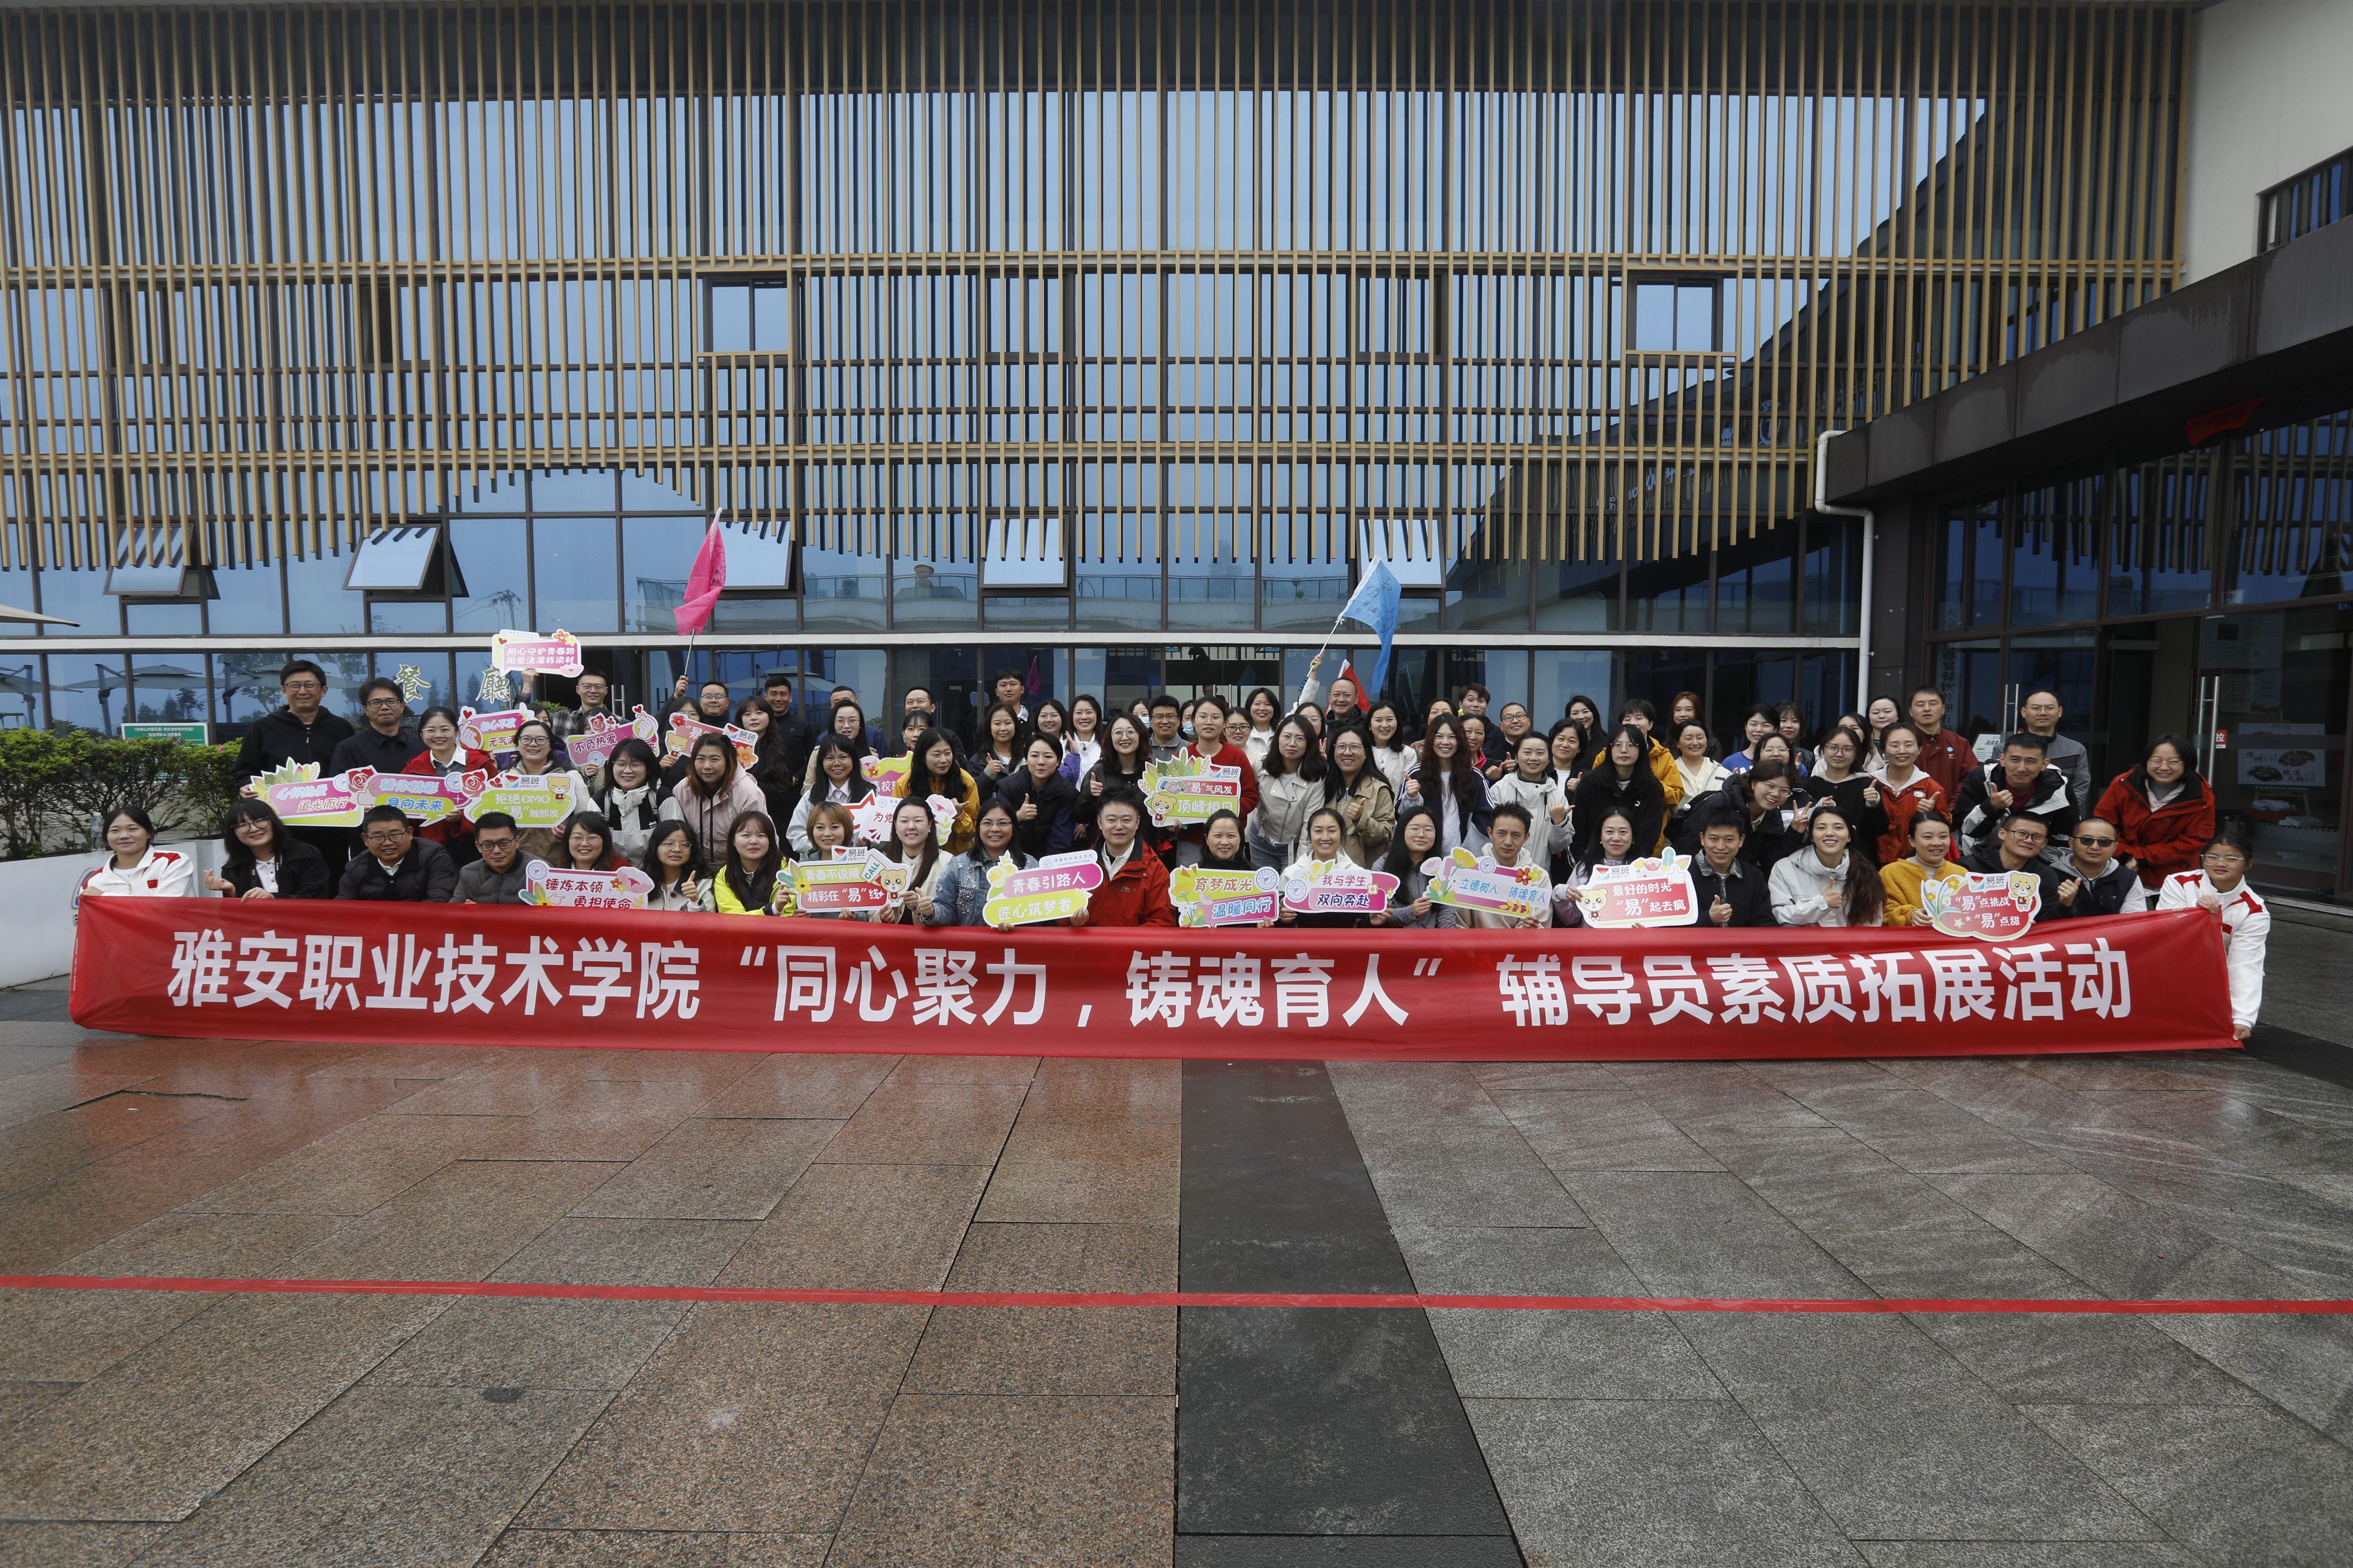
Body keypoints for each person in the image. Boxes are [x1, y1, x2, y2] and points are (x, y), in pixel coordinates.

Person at [2156, 827, 2268, 1040]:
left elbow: (2245, 964)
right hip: (2170, 965)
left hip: (2215, 974)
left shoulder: (2254, 910)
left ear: (2249, 864)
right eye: (2212, 857)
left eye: (2231, 859)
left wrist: (2242, 1018)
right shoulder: (2178, 882)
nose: (2220, 864)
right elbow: (2164, 929)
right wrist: (2195, 909)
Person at [2093, 733, 2215, 891]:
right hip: (2119, 867)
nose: (2164, 768)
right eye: (2156, 761)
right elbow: (2102, 825)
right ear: (2146, 761)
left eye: (2173, 762)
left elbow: (2193, 841)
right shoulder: (2123, 784)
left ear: (2188, 763)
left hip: (2174, 877)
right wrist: (2125, 855)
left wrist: (2141, 857)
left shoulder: (2202, 796)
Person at [1168, 694, 1261, 864]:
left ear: (1224, 723)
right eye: (1203, 717)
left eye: (1216, 717)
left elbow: (1251, 796)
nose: (1209, 722)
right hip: (1192, 839)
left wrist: (1225, 816)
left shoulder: (1237, 757)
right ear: (1193, 721)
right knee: (1191, 881)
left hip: (1228, 841)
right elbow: (1169, 796)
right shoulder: (1182, 757)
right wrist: (1171, 818)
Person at [1953, 732, 2074, 861]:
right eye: (2015, 760)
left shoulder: (2060, 786)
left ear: (2044, 764)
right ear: (2002, 760)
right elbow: (1966, 829)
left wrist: (2040, 868)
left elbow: (2063, 840)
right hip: (1982, 858)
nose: (2022, 768)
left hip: (2037, 862)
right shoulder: (1981, 777)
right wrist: (1990, 808)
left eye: (2031, 761)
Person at [1069, 787, 1176, 926]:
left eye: (1126, 820)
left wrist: (1124, 939)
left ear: (1137, 822)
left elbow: (1162, 922)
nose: (1119, 826)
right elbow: (1062, 913)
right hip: (1089, 941)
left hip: (1134, 942)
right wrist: (1074, 922)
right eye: (1111, 820)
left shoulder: (1155, 869)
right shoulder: (1082, 866)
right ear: (1100, 822)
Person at [403, 705, 494, 864]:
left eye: (445, 730)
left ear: (456, 732)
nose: (438, 735)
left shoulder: (481, 763)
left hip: (477, 844)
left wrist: (463, 817)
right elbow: (403, 805)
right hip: (431, 847)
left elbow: (495, 802)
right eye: (431, 730)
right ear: (422, 734)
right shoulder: (413, 768)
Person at [661, 731, 767, 867]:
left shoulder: (749, 794)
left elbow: (761, 839)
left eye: (715, 759)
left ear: (729, 761)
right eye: (700, 759)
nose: (707, 766)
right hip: (695, 867)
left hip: (738, 867)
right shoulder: (683, 790)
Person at [1769, 804, 1883, 927]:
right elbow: (1780, 914)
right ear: (1812, 837)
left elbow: (1872, 923)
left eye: (1838, 828)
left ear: (1849, 836)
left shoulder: (1865, 872)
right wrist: (1821, 904)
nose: (1829, 833)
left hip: (1852, 940)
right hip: (1805, 940)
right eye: (1821, 828)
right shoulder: (1786, 868)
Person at [1572, 724, 1668, 862]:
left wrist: (1633, 867)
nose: (1624, 750)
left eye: (1631, 745)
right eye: (1617, 745)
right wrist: (1586, 863)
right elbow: (1578, 830)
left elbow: (1649, 837)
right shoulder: (1590, 783)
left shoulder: (1652, 788)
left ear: (1641, 749)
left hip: (1634, 865)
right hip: (1591, 862)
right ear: (1609, 749)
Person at [505, 717, 595, 862]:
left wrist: (572, 834)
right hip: (516, 864)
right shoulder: (505, 779)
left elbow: (587, 822)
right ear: (517, 743)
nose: (533, 744)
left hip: (561, 862)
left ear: (551, 745)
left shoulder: (570, 777)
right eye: (526, 739)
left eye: (541, 740)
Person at [931, 798, 1031, 928]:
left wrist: (1017, 923)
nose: (995, 829)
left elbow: (1040, 915)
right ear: (979, 828)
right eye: (987, 823)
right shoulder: (958, 866)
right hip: (969, 941)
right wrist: (931, 911)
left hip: (1016, 941)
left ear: (1014, 828)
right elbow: (946, 910)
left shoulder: (1030, 866)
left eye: (1003, 823)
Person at [1959, 810, 2080, 917]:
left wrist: (2065, 906)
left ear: (2044, 843)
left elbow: (2047, 923)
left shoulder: (2045, 876)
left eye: (2037, 837)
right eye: (2021, 833)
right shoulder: (1968, 867)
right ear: (2002, 834)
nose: (2028, 840)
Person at [1403, 714, 1492, 856]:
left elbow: (1487, 817)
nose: (1445, 742)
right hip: (1423, 858)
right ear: (1431, 740)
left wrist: (1468, 854)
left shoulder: (1474, 776)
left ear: (1460, 741)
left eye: (1452, 737)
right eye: (1439, 736)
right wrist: (1411, 798)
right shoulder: (1416, 774)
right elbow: (1402, 818)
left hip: (1463, 861)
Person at [205, 799, 330, 899]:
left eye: (259, 820)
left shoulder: (305, 854)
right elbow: (238, 918)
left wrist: (274, 899)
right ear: (233, 833)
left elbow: (317, 900)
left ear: (273, 821)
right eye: (242, 825)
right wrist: (232, 892)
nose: (254, 829)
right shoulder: (233, 869)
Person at [1451, 803, 1548, 929]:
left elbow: (1539, 925)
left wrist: (1530, 928)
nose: (1508, 842)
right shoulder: (1470, 872)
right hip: (1475, 942)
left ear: (1526, 837)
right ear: (1490, 833)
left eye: (1516, 835)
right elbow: (1459, 925)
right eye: (1502, 833)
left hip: (1519, 943)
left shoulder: (1539, 878)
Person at [1249, 714, 1329, 870]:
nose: (1292, 743)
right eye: (1287, 736)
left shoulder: (1317, 776)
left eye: (1300, 738)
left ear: (1309, 743)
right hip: (1261, 839)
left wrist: (1300, 867)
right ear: (1278, 738)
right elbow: (1249, 794)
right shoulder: (1261, 763)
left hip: (1294, 846)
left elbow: (1310, 824)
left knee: (1290, 883)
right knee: (1263, 884)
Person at [338, 805, 458, 902]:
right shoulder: (356, 867)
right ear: (365, 839)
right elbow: (344, 909)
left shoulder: (433, 856)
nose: (387, 843)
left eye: (395, 835)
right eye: (378, 837)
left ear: (410, 833)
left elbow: (439, 901)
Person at [1318, 725, 1398, 870]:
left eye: (1354, 747)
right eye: (1341, 747)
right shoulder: (1323, 785)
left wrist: (1362, 820)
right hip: (1325, 870)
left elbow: (1386, 835)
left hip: (1361, 872)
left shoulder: (1379, 789)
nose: (1347, 753)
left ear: (1366, 753)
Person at [1488, 731, 1570, 870]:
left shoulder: (1557, 796)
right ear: (1516, 757)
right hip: (1498, 873)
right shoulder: (1499, 789)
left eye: (1540, 753)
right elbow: (1487, 835)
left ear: (1549, 759)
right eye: (1527, 752)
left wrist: (1558, 823)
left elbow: (1558, 847)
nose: (1534, 758)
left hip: (1537, 875)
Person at [1868, 722, 1947, 865]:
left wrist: (1931, 814)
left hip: (1915, 865)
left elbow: (1945, 829)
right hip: (1870, 863)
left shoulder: (1931, 788)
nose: (1902, 751)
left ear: (1920, 749)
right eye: (1894, 745)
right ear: (1884, 749)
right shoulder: (1870, 784)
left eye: (1909, 745)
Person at [78, 805, 198, 899]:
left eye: (133, 829)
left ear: (149, 833)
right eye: (115, 831)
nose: (124, 836)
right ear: (106, 837)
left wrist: (104, 898)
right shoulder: (94, 882)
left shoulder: (172, 862)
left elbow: (166, 908)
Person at [1683, 806, 1773, 927]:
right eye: (1714, 839)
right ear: (1702, 839)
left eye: (1729, 840)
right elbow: (1668, 926)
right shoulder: (1682, 875)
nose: (1721, 847)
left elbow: (1765, 922)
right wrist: (1708, 918)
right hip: (1696, 940)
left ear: (1741, 840)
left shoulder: (1753, 876)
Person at [1078, 714, 1155, 853]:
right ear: (1110, 738)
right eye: (1118, 733)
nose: (1125, 737)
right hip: (1105, 853)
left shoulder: (1153, 773)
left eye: (1130, 732)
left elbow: (1159, 819)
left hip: (1144, 853)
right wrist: (1088, 795)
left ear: (1140, 736)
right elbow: (1080, 816)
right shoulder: (1098, 773)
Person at [897, 727, 982, 854]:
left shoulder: (966, 781)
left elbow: (972, 834)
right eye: (936, 755)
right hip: (917, 855)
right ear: (922, 757)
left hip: (956, 857)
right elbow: (896, 827)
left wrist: (960, 815)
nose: (944, 760)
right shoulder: (906, 784)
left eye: (948, 753)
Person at [863, 797, 947, 924]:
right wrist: (882, 917)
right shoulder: (881, 863)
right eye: (904, 821)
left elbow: (950, 909)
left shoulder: (948, 862)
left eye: (918, 821)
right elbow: (871, 912)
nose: (911, 826)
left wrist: (924, 906)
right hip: (893, 936)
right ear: (896, 826)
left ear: (930, 825)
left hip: (929, 937)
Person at [996, 733, 1079, 860]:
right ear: (1026, 759)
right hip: (1009, 860)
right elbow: (996, 828)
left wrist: (1045, 867)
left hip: (1048, 863)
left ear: (1058, 761)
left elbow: (1059, 841)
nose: (1041, 762)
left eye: (1048, 756)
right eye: (1034, 756)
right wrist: (1017, 817)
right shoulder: (1007, 787)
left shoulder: (1067, 793)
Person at [1808, 726, 1891, 851]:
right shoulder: (1810, 785)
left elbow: (1879, 830)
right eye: (1833, 748)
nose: (1839, 754)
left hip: (1856, 856)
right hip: (1816, 855)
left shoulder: (1867, 785)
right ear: (1823, 750)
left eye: (1847, 749)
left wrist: (1873, 805)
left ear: (1856, 753)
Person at [1554, 804, 1638, 928]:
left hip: (1632, 939)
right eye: (1609, 832)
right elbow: (1571, 917)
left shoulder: (1644, 870)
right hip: (1591, 939)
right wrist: (1560, 894)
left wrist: (1646, 930)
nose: (1616, 838)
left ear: (1633, 836)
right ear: (1600, 836)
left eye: (1623, 832)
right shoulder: (1584, 868)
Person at [791, 735, 877, 855]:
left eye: (843, 757)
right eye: (830, 758)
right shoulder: (811, 795)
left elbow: (884, 835)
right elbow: (795, 835)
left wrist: (867, 845)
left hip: (860, 862)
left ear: (854, 759)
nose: (837, 763)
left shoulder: (870, 794)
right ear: (821, 762)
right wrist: (827, 847)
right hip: (822, 862)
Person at [1880, 809, 1966, 927]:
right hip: (1909, 938)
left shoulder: (1961, 873)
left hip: (1952, 938)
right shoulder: (1891, 873)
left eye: (1943, 837)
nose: (1937, 843)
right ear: (1912, 841)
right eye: (1928, 837)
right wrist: (1909, 915)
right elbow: (1883, 914)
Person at [1376, 806, 1456, 928]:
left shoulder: (1443, 869)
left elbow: (1447, 912)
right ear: (1402, 831)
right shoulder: (1383, 867)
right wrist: (1412, 912)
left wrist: (1448, 937)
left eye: (1428, 830)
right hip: (1396, 938)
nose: (1421, 835)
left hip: (1433, 938)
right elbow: (1381, 915)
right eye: (1414, 829)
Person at [329, 676, 422, 778]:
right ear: (365, 709)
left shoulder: (420, 746)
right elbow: (339, 786)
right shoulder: (348, 749)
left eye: (391, 701)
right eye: (376, 703)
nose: (385, 707)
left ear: (402, 706)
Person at [591, 737, 665, 864]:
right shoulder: (600, 801)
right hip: (613, 871)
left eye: (635, 765)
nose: (627, 771)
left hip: (656, 871)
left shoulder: (661, 797)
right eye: (621, 764)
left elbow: (675, 840)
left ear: (648, 768)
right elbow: (592, 844)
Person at [2018, 689, 2092, 813]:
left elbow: (2081, 785)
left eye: (2049, 708)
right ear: (2024, 712)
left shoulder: (2076, 750)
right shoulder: (2005, 749)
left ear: (2060, 712)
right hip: (2018, 816)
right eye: (2036, 708)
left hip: (2062, 816)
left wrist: (2063, 812)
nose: (2043, 713)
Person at [2060, 815, 2149, 916]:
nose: (2095, 847)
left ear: (2115, 847)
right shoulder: (2051, 876)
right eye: (2087, 840)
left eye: (2104, 842)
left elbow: (2134, 922)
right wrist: (2064, 907)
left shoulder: (2128, 879)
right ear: (2072, 843)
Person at [1908, 686, 1978, 803]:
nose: (1927, 709)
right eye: (1920, 705)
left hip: (1951, 811)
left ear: (1943, 709)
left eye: (1933, 704)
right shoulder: (1902, 741)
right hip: (1910, 809)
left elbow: (1970, 779)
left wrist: (1953, 807)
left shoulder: (1960, 743)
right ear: (1911, 711)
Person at [736, 696, 800, 822]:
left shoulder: (780, 750)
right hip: (736, 814)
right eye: (747, 714)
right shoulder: (730, 748)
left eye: (759, 713)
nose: (753, 718)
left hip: (771, 817)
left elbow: (786, 791)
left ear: (770, 716)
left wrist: (756, 784)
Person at [711, 811, 785, 915]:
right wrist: (772, 910)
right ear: (734, 841)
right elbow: (733, 917)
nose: (754, 841)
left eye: (761, 835)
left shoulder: (785, 871)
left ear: (770, 840)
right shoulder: (724, 875)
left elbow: (787, 914)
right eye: (746, 835)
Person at [1667, 719, 1729, 839]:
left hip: (1715, 840)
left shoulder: (1723, 773)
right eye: (1688, 738)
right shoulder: (1669, 772)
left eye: (1700, 738)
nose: (1695, 743)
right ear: (1678, 743)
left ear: (1707, 742)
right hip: (1678, 840)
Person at [452, 813, 529, 903]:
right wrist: (465, 909)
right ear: (478, 847)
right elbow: (453, 909)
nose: (497, 851)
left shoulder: (538, 871)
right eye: (488, 845)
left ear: (517, 842)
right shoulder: (468, 873)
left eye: (504, 843)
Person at [641, 821, 711, 912]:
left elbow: (709, 920)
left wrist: (695, 901)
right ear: (655, 847)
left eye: (684, 844)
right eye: (669, 844)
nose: (677, 849)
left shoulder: (703, 883)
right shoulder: (641, 882)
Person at [1364, 702, 1413, 797]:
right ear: (1369, 725)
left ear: (1397, 724)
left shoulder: (1408, 753)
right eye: (1379, 720)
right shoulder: (1360, 751)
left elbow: (1408, 790)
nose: (1385, 725)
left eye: (1390, 720)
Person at [974, 700, 1026, 787]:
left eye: (1008, 723)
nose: (1003, 728)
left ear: (1016, 726)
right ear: (990, 729)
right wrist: (988, 774)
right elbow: (973, 793)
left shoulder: (1028, 757)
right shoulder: (978, 761)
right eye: (997, 724)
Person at [550, 670, 615, 739]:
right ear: (578, 690)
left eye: (599, 687)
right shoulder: (560, 719)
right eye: (587, 687)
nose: (593, 691)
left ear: (606, 691)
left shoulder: (619, 722)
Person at [559, 812, 625, 872]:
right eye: (577, 838)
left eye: (592, 838)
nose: (584, 844)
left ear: (605, 840)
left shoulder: (621, 871)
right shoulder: (558, 873)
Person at [1060, 695, 1104, 784]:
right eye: (1079, 713)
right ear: (1072, 717)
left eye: (1089, 712)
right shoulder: (1060, 747)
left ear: (1097, 715)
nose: (1084, 717)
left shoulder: (1108, 747)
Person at [1723, 706, 1776, 771]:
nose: (1758, 730)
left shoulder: (1779, 759)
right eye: (1753, 724)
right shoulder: (1730, 762)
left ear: (1775, 729)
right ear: (1746, 727)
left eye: (1766, 725)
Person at [1241, 687, 1282, 768]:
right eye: (1257, 704)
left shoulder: (1282, 732)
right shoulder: (1242, 734)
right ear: (1249, 707)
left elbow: (1303, 703)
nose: (1262, 708)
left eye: (1268, 704)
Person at [1773, 703, 1814, 775]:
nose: (1789, 726)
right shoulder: (1763, 752)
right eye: (1783, 721)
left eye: (1795, 721)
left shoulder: (1808, 757)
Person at [1864, 694, 1902, 767]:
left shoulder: (1910, 740)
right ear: (1868, 717)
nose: (1882, 716)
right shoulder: (1863, 743)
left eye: (1887, 712)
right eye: (1876, 713)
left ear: (1898, 715)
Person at [1145, 694, 1185, 762]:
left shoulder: (1189, 749)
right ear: (1150, 722)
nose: (1165, 722)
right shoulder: (1141, 749)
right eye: (1159, 717)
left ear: (1178, 721)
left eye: (1170, 716)